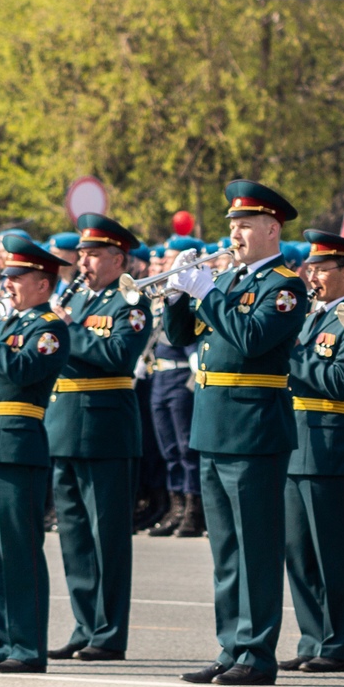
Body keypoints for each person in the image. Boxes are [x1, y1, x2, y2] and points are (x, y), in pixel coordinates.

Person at [166, 181, 307, 687]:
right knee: (225, 549)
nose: (236, 233)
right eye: (232, 224)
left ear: (272, 229)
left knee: (256, 548)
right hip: (214, 423)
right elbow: (180, 337)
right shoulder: (225, 281)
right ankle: (231, 646)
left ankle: (256, 652)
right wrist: (180, 295)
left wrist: (207, 292)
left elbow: (250, 339)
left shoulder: (286, 286)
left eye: (245, 224)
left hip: (254, 427)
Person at [48, 213, 153, 662]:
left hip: (106, 429)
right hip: (64, 426)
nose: (83, 262)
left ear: (118, 258)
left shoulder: (129, 302)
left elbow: (115, 354)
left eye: (93, 255)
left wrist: (64, 330)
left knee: (106, 536)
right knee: (73, 536)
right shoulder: (77, 301)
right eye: (82, 255)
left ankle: (108, 632)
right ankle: (83, 623)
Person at [0, 233, 67, 673]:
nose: (7, 285)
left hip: (16, 444)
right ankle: (1, 642)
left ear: (43, 284)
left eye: (17, 278)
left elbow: (20, 368)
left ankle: (27, 646)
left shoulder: (49, 327)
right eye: (6, 277)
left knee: (19, 551)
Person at [282, 228, 344, 673]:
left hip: (325, 439)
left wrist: (293, 358)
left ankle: (337, 644)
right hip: (291, 437)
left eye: (320, 268)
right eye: (310, 267)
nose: (310, 275)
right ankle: (310, 637)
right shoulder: (310, 315)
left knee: (331, 549)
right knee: (297, 550)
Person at [147, 230, 206, 540]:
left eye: (168, 258)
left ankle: (193, 511)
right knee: (169, 447)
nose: (162, 263)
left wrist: (195, 359)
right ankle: (176, 507)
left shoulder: (193, 290)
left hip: (183, 375)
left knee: (186, 448)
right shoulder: (164, 289)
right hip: (160, 375)